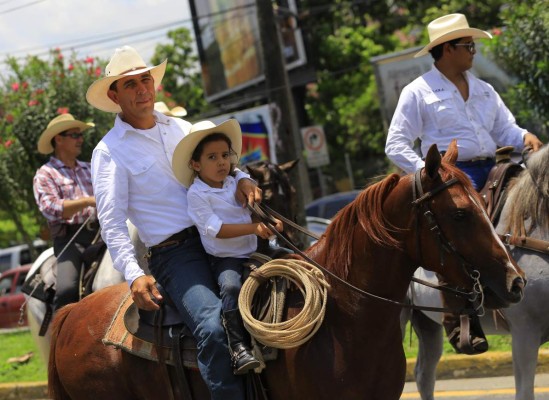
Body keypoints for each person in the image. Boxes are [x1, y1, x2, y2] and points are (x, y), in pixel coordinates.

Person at [87, 45, 261, 399]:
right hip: (176, 253)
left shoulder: (182, 126)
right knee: (212, 327)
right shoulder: (109, 151)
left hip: (225, 235)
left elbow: (220, 162)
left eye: (145, 80)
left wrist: (242, 177)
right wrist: (135, 274)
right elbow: (112, 221)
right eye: (130, 84)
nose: (142, 89)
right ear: (114, 95)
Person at [385, 13, 543, 355]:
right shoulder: (418, 92)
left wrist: (525, 136)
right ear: (445, 49)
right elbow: (395, 143)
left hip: (497, 167)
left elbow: (506, 130)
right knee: (466, 229)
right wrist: (432, 176)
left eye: (473, 44)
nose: (473, 50)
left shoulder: (484, 89)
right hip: (453, 176)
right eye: (467, 45)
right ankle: (462, 316)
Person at [171, 119, 283, 375]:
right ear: (195, 164)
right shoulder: (197, 194)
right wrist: (255, 229)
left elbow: (251, 211)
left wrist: (268, 222)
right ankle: (238, 347)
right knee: (231, 286)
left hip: (253, 249)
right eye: (212, 157)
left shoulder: (236, 182)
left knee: (292, 262)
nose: (222, 162)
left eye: (225, 155)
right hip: (226, 258)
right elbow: (218, 230)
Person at [33, 113, 98, 311]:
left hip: (102, 234)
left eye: (80, 135)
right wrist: (87, 201)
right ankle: (62, 336)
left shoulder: (90, 168)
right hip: (71, 240)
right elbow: (51, 209)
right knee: (67, 290)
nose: (81, 139)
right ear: (59, 139)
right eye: (75, 135)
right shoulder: (45, 174)